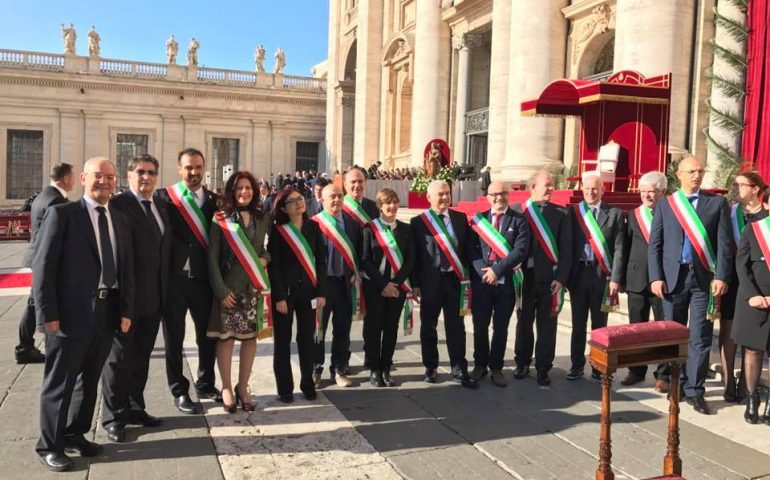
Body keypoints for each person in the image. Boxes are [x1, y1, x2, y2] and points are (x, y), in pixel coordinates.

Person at [33, 157, 133, 472]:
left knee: (90, 379)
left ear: (116, 182)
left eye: (110, 176)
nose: (104, 181)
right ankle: (49, 444)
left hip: (107, 310)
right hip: (69, 314)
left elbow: (126, 270)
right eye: (97, 176)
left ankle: (76, 432)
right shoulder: (62, 215)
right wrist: (47, 315)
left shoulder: (120, 218)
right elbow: (43, 268)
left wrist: (126, 309)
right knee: (60, 381)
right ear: (82, 179)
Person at [649, 155, 732, 415]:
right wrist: (655, 277)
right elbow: (656, 244)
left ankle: (695, 390)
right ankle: (675, 384)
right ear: (679, 175)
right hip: (673, 280)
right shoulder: (666, 205)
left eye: (701, 171)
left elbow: (725, 244)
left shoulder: (716, 203)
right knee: (673, 336)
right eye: (692, 171)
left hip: (703, 280)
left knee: (701, 336)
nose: (697, 175)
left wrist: (721, 276)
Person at [101, 154, 169, 443]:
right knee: (117, 361)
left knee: (141, 357)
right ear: (128, 176)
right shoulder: (117, 206)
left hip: (153, 299)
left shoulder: (161, 207)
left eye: (151, 172)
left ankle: (134, 407)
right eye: (140, 172)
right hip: (125, 299)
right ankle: (113, 417)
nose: (146, 177)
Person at [156, 148, 220, 414]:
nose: (194, 173)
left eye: (198, 167)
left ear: (204, 168)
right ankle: (179, 390)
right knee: (174, 337)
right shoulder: (164, 198)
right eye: (189, 168)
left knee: (208, 335)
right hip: (174, 280)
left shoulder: (216, 201)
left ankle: (206, 383)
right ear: (179, 169)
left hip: (204, 280)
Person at [207, 171, 270, 413]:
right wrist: (221, 289)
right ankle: (225, 387)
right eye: (239, 188)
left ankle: (243, 386)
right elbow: (212, 257)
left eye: (248, 188)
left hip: (253, 287)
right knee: (227, 338)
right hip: (229, 289)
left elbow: (267, 249)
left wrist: (265, 259)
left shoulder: (262, 217)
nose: (244, 192)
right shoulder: (220, 218)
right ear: (231, 192)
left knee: (249, 338)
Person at [410, 180, 477, 388]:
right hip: (430, 283)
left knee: (456, 326)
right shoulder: (419, 222)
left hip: (455, 281)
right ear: (429, 197)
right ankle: (431, 366)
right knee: (428, 326)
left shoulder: (459, 218)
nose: (445, 197)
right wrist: (415, 284)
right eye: (440, 194)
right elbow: (414, 257)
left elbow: (466, 250)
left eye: (447, 193)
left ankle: (459, 367)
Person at [467, 181, 529, 387]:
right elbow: (472, 250)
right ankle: (480, 365)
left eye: (502, 193)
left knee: (501, 327)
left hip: (506, 283)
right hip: (483, 281)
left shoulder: (519, 220)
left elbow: (520, 251)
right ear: (487, 196)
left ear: (508, 195)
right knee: (480, 325)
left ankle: (496, 368)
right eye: (493, 194)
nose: (498, 198)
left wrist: (497, 270)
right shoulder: (479, 221)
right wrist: (484, 272)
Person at [513, 171, 572, 386]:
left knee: (548, 325)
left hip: (550, 280)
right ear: (532, 188)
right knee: (524, 322)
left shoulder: (561, 214)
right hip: (525, 278)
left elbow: (567, 250)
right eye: (546, 185)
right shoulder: (518, 211)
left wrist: (562, 279)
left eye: (552, 185)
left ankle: (543, 367)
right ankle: (522, 362)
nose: (550, 189)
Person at [268, 188, 327, 403]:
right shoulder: (278, 231)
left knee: (307, 339)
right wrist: (279, 297)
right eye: (292, 201)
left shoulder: (314, 227)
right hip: (286, 295)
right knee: (282, 342)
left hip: (310, 293)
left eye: (300, 199)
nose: (298, 203)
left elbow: (321, 261)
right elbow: (274, 266)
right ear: (283, 208)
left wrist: (321, 292)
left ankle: (307, 383)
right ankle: (285, 388)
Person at [567, 171, 626, 382]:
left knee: (600, 324)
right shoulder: (574, 213)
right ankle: (576, 365)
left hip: (603, 276)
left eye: (595, 188)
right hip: (578, 274)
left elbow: (620, 249)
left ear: (603, 190)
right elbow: (567, 247)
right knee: (578, 323)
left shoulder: (615, 214)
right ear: (582, 189)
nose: (591, 192)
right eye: (587, 188)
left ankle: (598, 365)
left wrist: (616, 279)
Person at [16, 163, 75, 364]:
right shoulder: (56, 201)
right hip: (47, 258)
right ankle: (25, 347)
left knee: (34, 302)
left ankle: (26, 345)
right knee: (35, 303)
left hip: (37, 255)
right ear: (66, 179)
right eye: (73, 177)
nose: (74, 180)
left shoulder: (42, 196)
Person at [720, 172, 768, 402]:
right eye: (734, 184)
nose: (735, 188)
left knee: (753, 339)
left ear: (756, 188)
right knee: (729, 330)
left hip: (760, 282)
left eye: (741, 184)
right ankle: (729, 381)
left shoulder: (766, 215)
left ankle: (746, 384)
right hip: (732, 278)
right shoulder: (729, 212)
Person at [361, 188, 415, 387]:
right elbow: (365, 260)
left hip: (397, 285)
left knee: (391, 327)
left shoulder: (406, 229)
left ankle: (386, 366)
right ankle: (374, 368)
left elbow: (410, 260)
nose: (392, 207)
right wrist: (383, 284)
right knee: (374, 326)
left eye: (394, 202)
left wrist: (396, 283)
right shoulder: (369, 229)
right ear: (379, 206)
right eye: (387, 203)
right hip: (375, 285)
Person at [311, 184, 362, 388]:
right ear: (322, 200)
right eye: (332, 197)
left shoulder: (352, 225)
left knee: (342, 329)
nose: (337, 200)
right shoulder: (314, 224)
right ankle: (315, 369)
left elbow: (358, 255)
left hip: (344, 284)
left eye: (340, 196)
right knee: (318, 330)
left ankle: (338, 369)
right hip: (321, 286)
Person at [619, 171, 667, 387]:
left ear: (662, 192)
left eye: (652, 191)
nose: (647, 196)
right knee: (636, 327)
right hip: (636, 278)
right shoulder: (632, 215)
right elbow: (623, 248)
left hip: (662, 282)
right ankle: (636, 371)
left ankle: (664, 375)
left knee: (663, 328)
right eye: (644, 191)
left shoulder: (670, 214)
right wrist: (619, 278)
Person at [732, 188, 770, 424]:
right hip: (753, 299)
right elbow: (742, 266)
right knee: (752, 351)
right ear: (766, 205)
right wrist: (753, 295)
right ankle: (752, 398)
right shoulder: (754, 229)